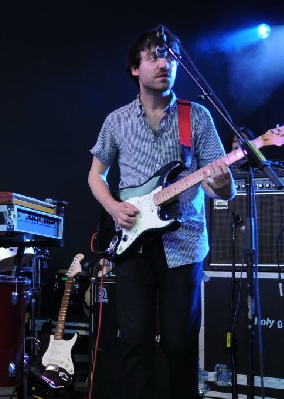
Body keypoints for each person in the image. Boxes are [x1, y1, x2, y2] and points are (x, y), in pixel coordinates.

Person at [87, 26, 235, 399]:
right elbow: (96, 174)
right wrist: (113, 206)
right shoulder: (116, 121)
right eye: (153, 56)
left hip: (183, 244)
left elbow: (223, 187)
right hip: (132, 242)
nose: (163, 62)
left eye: (169, 56)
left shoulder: (196, 117)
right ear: (135, 68)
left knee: (180, 344)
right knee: (134, 341)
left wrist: (219, 183)